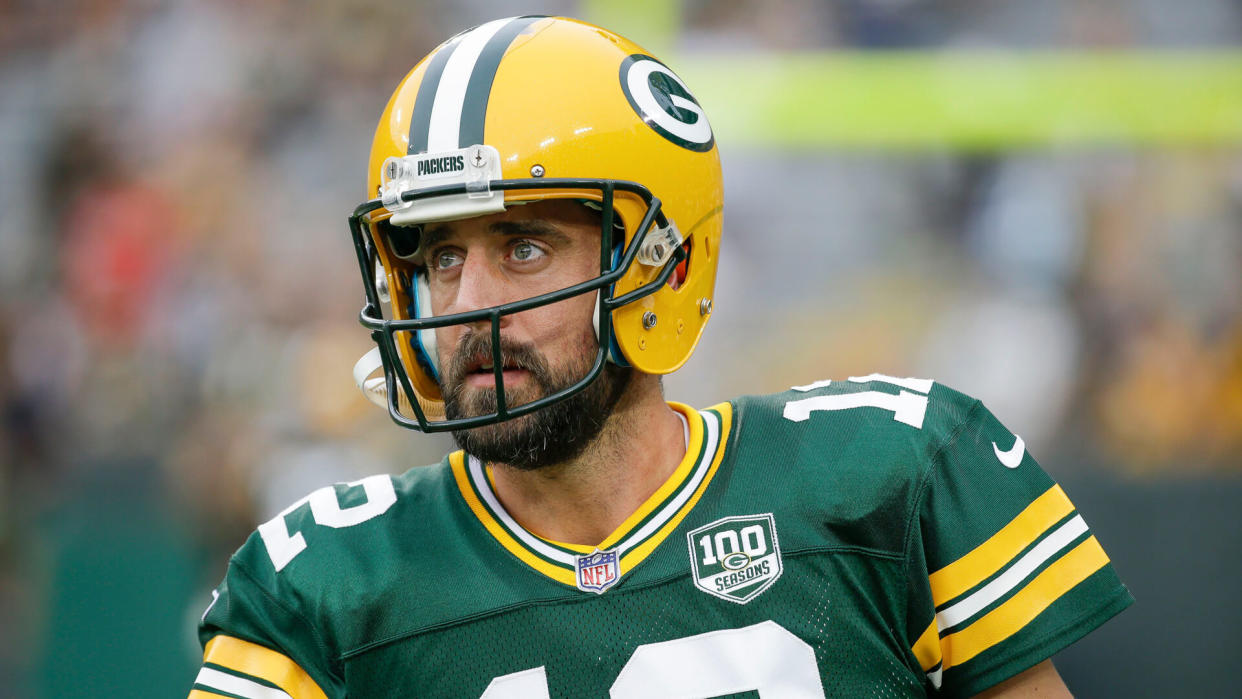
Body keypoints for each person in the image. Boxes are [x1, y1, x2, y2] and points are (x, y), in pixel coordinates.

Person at [188, 16, 1132, 698]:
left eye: (522, 248)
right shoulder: (321, 586)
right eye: (440, 256)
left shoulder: (895, 475)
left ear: (660, 267)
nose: (468, 305)